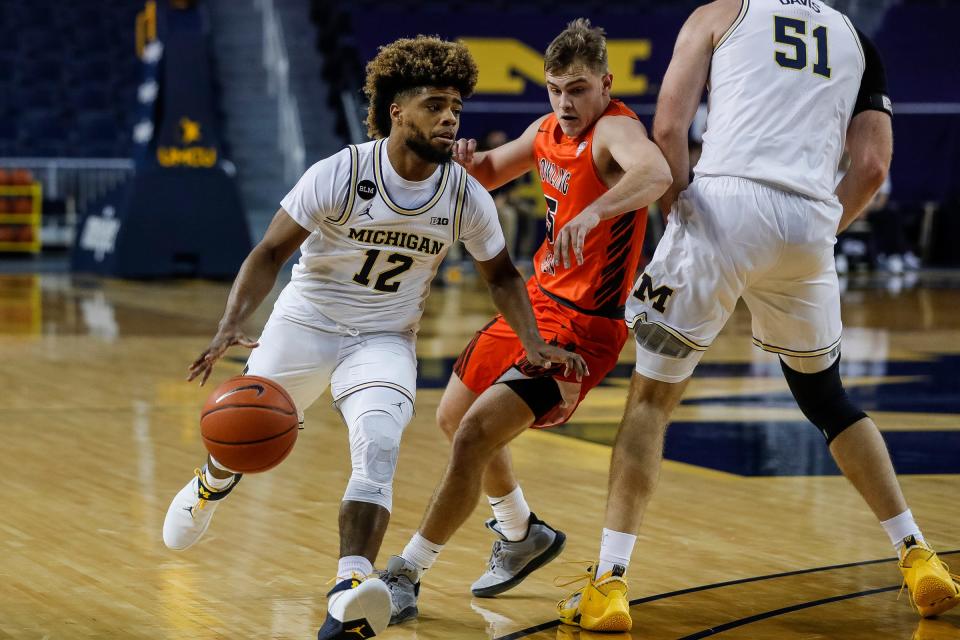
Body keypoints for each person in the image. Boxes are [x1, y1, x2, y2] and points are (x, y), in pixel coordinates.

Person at [160, 36, 584, 640]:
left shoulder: (463, 193)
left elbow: (502, 276)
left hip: (384, 337)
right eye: (435, 104)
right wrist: (232, 320)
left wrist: (534, 342)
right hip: (306, 322)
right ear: (397, 112)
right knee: (243, 436)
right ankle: (212, 482)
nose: (450, 118)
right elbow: (270, 251)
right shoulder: (344, 171)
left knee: (379, 447)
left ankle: (352, 586)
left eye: (456, 108)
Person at [554, 0, 960, 630]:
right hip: (807, 219)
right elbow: (873, 166)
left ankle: (609, 583)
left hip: (722, 204)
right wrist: (819, 234)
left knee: (650, 401)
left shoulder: (720, 14)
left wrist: (682, 213)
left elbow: (668, 130)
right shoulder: (856, 39)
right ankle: (916, 553)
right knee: (829, 402)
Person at [379, 18, 672, 626]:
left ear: (606, 84)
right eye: (556, 88)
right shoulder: (545, 131)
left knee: (474, 436)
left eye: (580, 89)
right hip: (535, 304)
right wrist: (460, 158)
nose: (566, 103)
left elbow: (656, 173)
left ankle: (405, 572)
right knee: (452, 415)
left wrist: (595, 214)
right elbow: (485, 171)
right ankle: (520, 533)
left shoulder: (615, 129)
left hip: (584, 329)